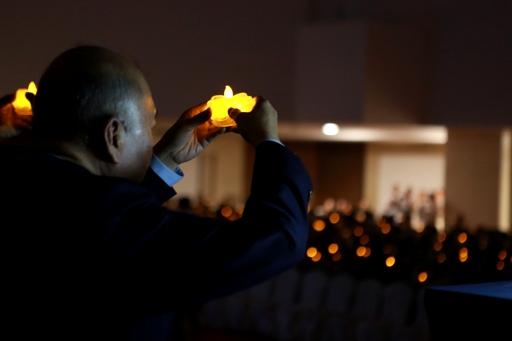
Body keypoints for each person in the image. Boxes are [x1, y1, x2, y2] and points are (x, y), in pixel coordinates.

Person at [1, 46, 312, 340]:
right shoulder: (102, 220)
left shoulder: (24, 185)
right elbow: (279, 239)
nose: (151, 141)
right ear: (113, 135)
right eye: (149, 126)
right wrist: (269, 143)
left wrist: (165, 159)